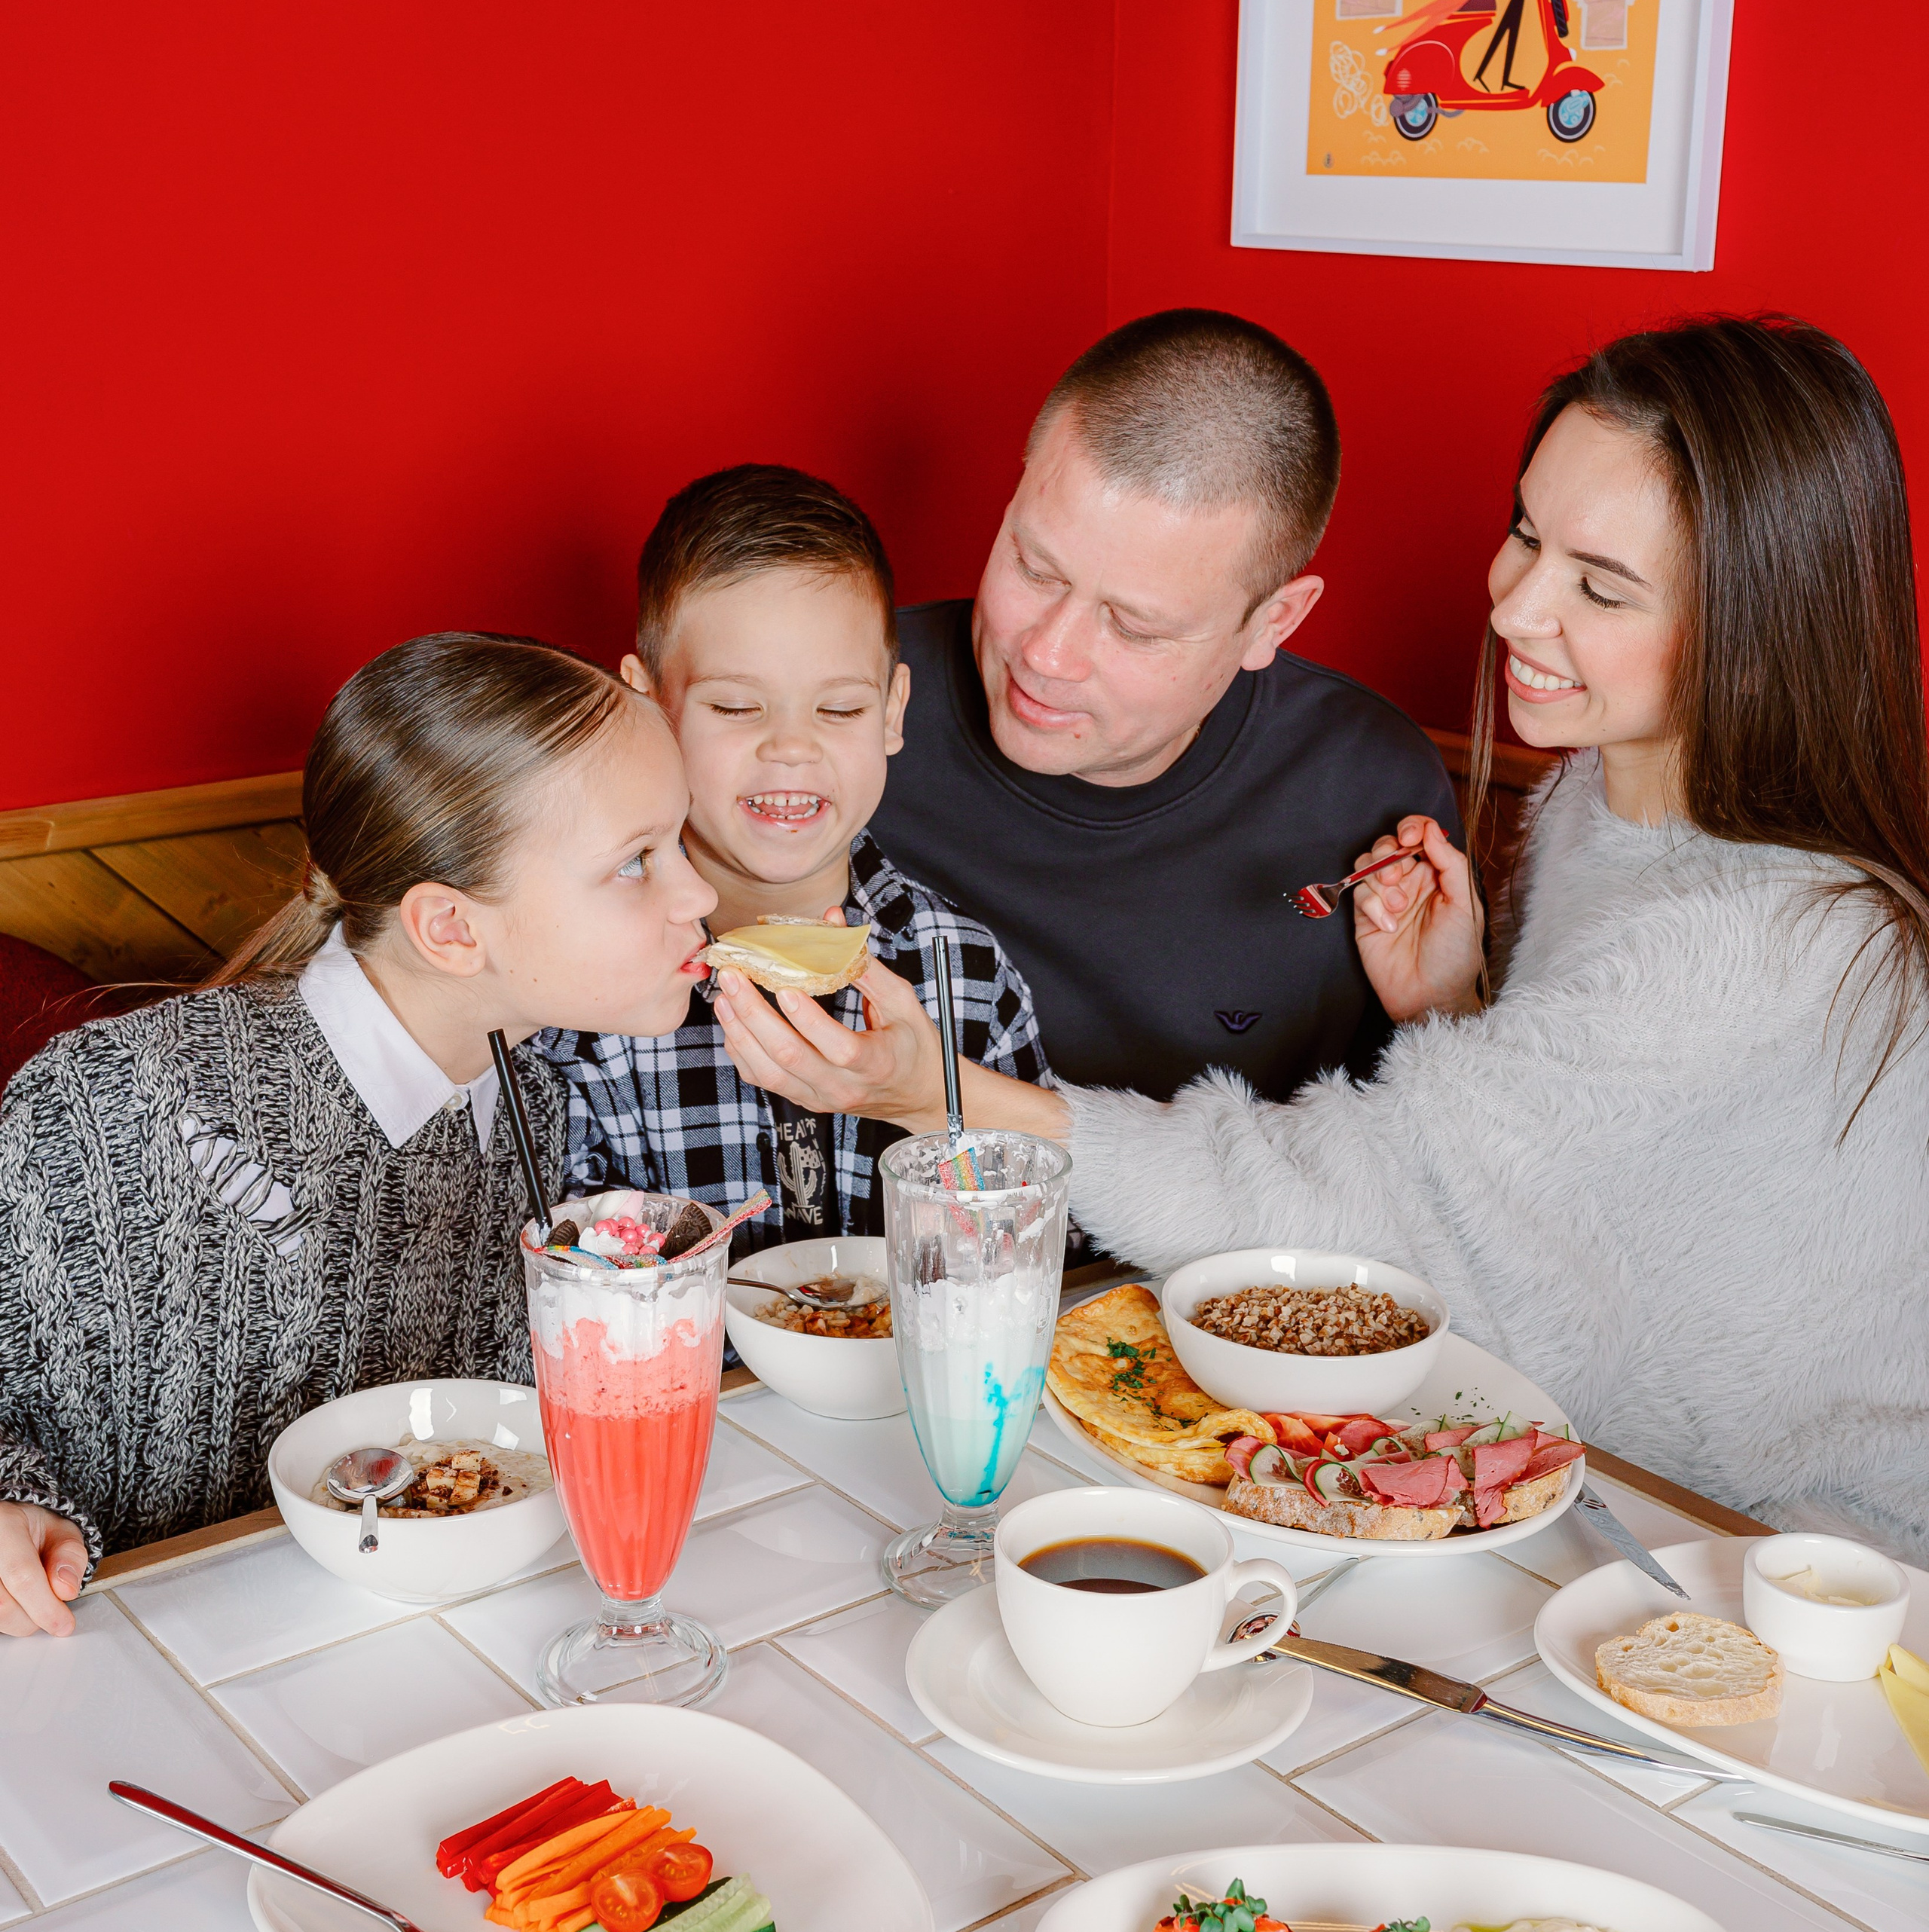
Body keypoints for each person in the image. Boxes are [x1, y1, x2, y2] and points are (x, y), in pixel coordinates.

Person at [711, 316, 1929, 1559]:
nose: (1513, 607)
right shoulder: (1595, 802)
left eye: (1600, 586)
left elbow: (1347, 1206)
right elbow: (1557, 1208)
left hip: (1789, 1557)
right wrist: (1451, 1013)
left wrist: (942, 1097)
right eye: (1525, 534)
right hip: (1572, 1470)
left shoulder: (1765, 939)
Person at [0, 632, 718, 1637]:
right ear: (453, 929)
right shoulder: (117, 1101)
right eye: (638, 863)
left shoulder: (534, 1106)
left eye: (679, 842)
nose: (701, 896)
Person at [866, 309, 1460, 1103]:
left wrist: (1442, 1013)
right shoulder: (849, 706)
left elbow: (1426, 1161)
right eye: (1034, 568)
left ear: (1271, 622)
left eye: (1132, 625)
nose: (1045, 654)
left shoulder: (1365, 785)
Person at [541, 464, 1050, 1251]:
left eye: (839, 707)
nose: (790, 745)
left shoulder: (964, 974)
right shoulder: (581, 992)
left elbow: (1041, 1241)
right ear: (646, 706)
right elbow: (559, 1280)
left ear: (891, 710)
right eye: (737, 706)